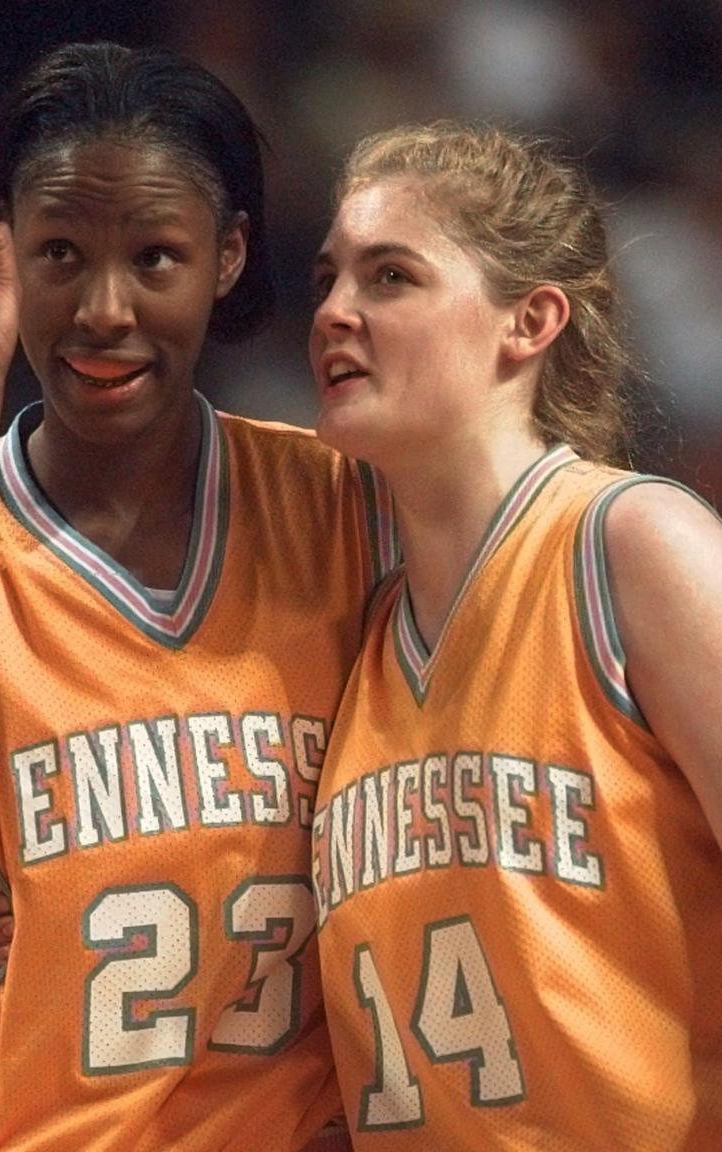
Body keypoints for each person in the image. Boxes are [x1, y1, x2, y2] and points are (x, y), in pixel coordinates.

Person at [0, 41, 398, 1152]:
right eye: (61, 254)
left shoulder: (349, 509)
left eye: (157, 258)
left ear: (228, 257)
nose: (104, 309)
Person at [308, 121, 722, 1149]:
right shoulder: (354, 642)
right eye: (330, 278)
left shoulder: (630, 544)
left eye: (390, 277)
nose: (333, 314)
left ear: (529, 321)